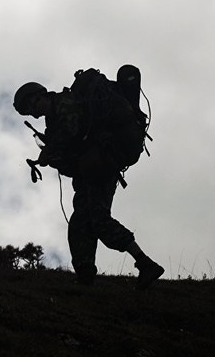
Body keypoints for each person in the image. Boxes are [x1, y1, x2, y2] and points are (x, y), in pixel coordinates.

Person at [13, 74, 164, 290]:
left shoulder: (64, 102)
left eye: (30, 107)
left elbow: (72, 134)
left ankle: (145, 263)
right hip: (90, 170)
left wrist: (51, 150)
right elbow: (70, 151)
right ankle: (84, 277)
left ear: (38, 96)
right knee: (79, 224)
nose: (33, 113)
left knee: (99, 220)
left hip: (101, 166)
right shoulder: (53, 118)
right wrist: (53, 156)